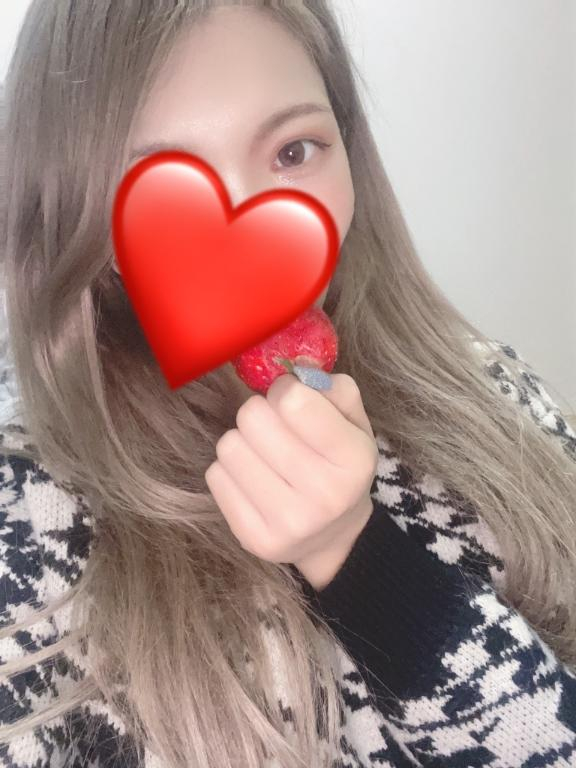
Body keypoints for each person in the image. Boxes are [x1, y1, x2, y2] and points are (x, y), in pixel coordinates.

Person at [1, 2, 575, 767]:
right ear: (72, 218)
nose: (252, 220)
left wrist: (358, 556)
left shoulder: (494, 389)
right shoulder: (25, 512)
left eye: (293, 152)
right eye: (151, 183)